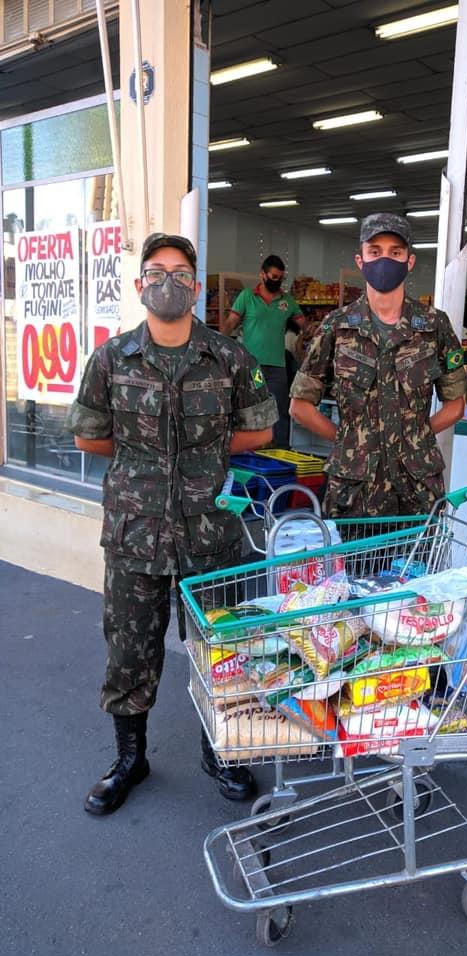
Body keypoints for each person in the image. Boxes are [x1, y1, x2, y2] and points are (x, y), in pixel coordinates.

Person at [70, 232, 278, 815]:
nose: (169, 280)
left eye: (181, 271)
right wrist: (146, 457)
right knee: (130, 651)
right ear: (139, 285)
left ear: (195, 285)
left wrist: (205, 450)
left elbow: (262, 427)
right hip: (136, 534)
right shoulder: (112, 358)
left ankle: (224, 751)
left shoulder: (230, 356)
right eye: (157, 270)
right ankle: (130, 759)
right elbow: (88, 433)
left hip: (210, 534)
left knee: (223, 648)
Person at [289, 213, 467, 517]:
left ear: (409, 262)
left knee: (421, 563)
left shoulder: (434, 325)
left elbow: (455, 405)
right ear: (361, 260)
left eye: (395, 252)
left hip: (417, 486)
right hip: (354, 488)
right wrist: (350, 440)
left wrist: (417, 437)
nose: (385, 260)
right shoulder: (338, 325)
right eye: (375, 251)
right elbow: (300, 406)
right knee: (354, 564)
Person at [221, 254, 305, 447]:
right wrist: (217, 348)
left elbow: (304, 325)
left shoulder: (287, 301)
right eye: (274, 277)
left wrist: (319, 330)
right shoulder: (247, 297)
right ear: (262, 275)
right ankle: (250, 451)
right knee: (251, 409)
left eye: (280, 278)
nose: (277, 281)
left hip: (277, 368)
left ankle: (280, 451)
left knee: (280, 410)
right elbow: (231, 323)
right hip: (253, 369)